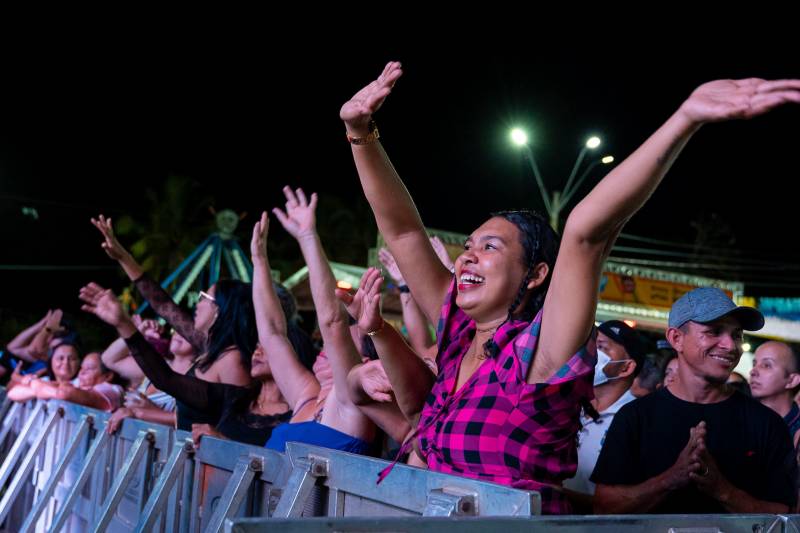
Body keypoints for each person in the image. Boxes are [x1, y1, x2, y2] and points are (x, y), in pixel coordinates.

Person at [340, 61, 800, 513]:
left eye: (491, 246)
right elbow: (401, 232)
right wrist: (359, 132)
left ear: (536, 275)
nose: (468, 255)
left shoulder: (540, 352)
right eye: (470, 245)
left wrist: (686, 118)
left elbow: (586, 232)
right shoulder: (460, 333)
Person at [593, 288, 797, 514]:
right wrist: (669, 479)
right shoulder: (635, 417)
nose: (730, 346)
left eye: (736, 335)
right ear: (676, 339)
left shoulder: (766, 424)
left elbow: (784, 515)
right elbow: (604, 507)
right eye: (714, 332)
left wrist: (722, 490)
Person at [92, 215, 253, 429]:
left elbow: (165, 378)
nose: (197, 301)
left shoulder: (232, 358)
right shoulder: (211, 347)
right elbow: (164, 306)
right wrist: (123, 257)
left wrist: (123, 323)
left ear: (221, 310)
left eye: (205, 297)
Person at [750, 341, 800, 448]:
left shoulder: (797, 433)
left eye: (766, 365)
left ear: (792, 380)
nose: (753, 371)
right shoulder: (740, 418)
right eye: (754, 364)